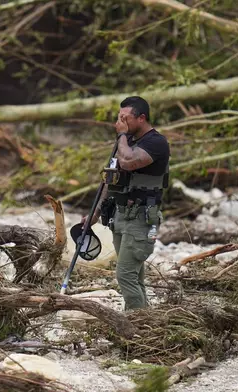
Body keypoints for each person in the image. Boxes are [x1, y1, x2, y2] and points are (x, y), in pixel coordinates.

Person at [82, 96, 170, 311]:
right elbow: (110, 180)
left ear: (141, 118)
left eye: (125, 118)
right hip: (120, 216)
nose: (119, 123)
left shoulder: (156, 142)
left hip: (141, 218)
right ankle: (145, 321)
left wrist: (121, 136)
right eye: (118, 118)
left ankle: (134, 323)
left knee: (125, 275)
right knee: (134, 276)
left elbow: (128, 162)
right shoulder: (126, 143)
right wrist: (96, 212)